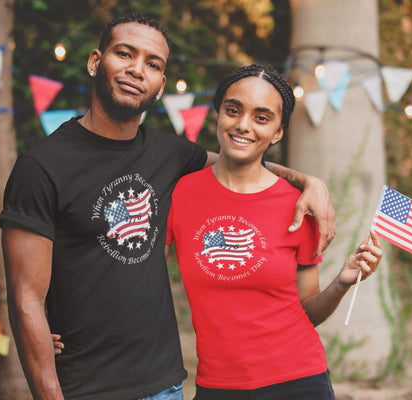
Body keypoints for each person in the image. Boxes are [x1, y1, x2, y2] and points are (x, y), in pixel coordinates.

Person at [0, 14, 335, 400]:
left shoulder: (170, 153)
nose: (137, 70)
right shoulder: (41, 168)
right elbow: (26, 299)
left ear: (160, 84)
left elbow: (243, 160)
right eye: (125, 54)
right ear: (95, 62)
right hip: (83, 386)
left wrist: (310, 182)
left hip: (164, 384)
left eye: (153, 64)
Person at [161, 65, 382, 400]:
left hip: (299, 382)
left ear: (278, 131)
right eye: (233, 110)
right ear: (217, 114)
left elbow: (307, 310)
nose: (244, 125)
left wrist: (342, 282)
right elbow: (141, 277)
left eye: (261, 117)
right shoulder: (179, 194)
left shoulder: (299, 204)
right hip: (217, 385)